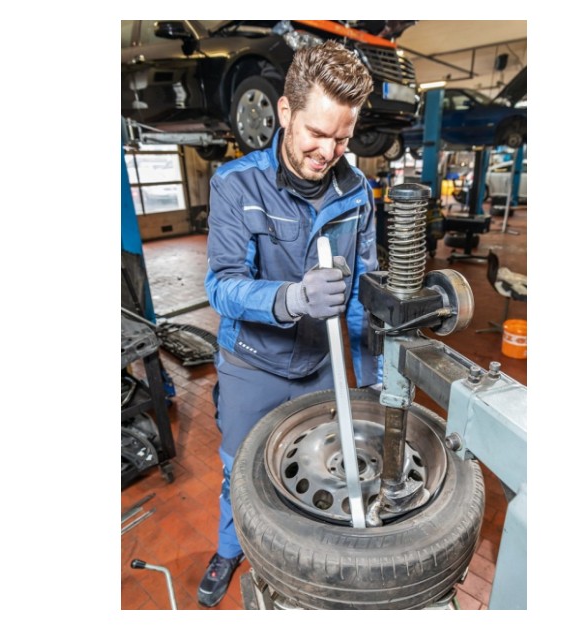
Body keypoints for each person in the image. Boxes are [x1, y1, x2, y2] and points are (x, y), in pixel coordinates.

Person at [198, 40, 382, 608]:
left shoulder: (358, 194)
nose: (328, 152)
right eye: (316, 133)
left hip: (321, 363)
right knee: (240, 471)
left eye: (342, 138)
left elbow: (362, 296)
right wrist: (292, 297)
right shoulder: (237, 185)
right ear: (285, 112)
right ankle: (229, 548)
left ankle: (306, 564)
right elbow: (221, 287)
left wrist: (370, 379)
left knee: (321, 463)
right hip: (252, 364)